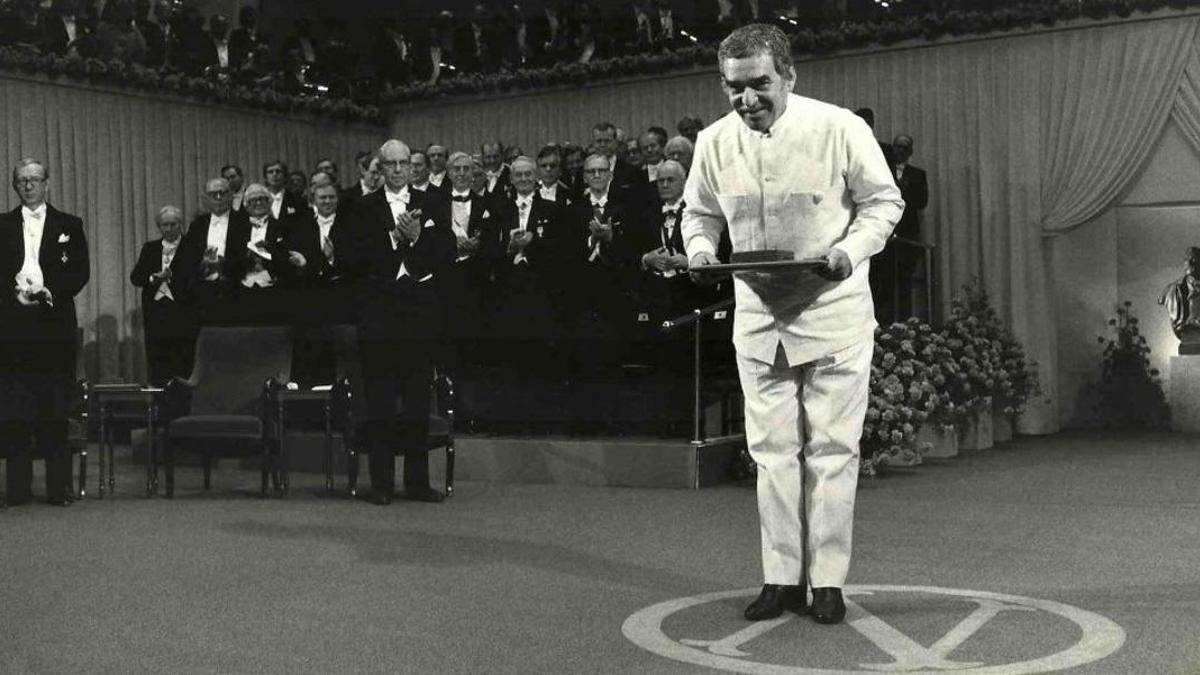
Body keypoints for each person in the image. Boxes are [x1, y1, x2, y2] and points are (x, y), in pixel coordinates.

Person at [683, 24, 903, 625]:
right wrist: (701, 253)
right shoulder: (713, 142)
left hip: (833, 314)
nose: (747, 100)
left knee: (833, 450)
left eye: (760, 85)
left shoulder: (840, 128)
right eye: (735, 88)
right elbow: (698, 214)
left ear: (789, 76)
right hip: (758, 320)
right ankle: (780, 577)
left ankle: (828, 582)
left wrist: (849, 252)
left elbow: (885, 203)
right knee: (773, 453)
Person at [350, 139, 455, 505]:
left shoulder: (433, 203)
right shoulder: (362, 207)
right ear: (380, 168)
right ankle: (381, 484)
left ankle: (417, 482)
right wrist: (394, 236)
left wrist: (420, 235)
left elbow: (449, 253)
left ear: (412, 168)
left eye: (403, 164)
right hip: (378, 314)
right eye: (390, 164)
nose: (397, 170)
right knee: (379, 400)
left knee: (416, 400)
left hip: (419, 313)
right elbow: (350, 258)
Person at [1, 158, 89, 507]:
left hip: (54, 325)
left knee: (54, 408)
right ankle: (19, 491)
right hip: (13, 327)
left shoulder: (70, 223)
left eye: (35, 179)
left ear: (47, 183)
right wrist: (13, 294)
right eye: (22, 180)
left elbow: (81, 271)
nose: (28, 185)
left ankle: (58, 489)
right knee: (16, 409)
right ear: (15, 185)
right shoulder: (2, 225)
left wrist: (51, 290)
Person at [130, 205, 195, 385]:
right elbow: (136, 277)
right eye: (164, 225)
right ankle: (159, 403)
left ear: (180, 224)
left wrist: (174, 278)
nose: (168, 229)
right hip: (156, 311)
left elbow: (197, 276)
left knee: (183, 357)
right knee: (158, 359)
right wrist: (153, 278)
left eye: (173, 224)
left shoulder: (192, 245)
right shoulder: (150, 248)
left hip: (183, 310)